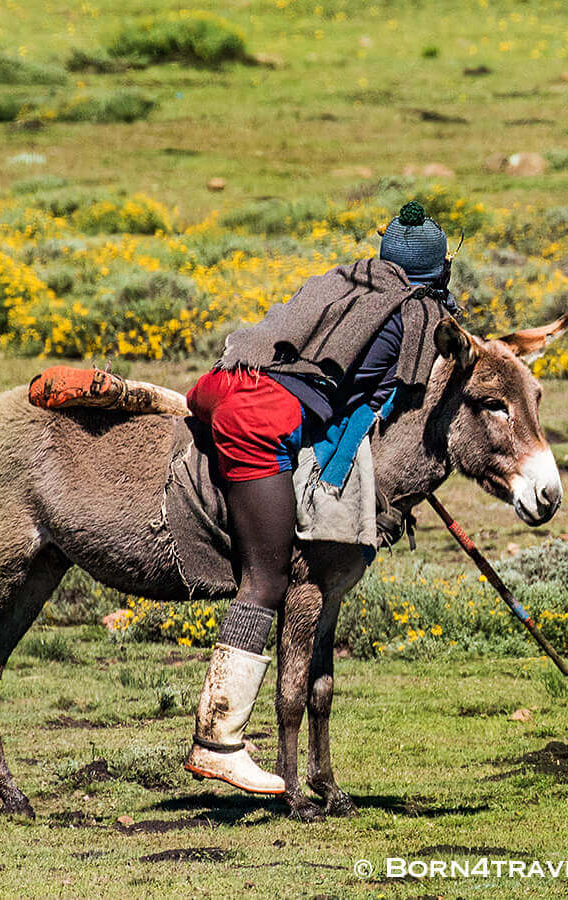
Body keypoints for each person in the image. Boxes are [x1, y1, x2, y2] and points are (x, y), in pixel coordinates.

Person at [182, 201, 454, 793]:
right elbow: (367, 410)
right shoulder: (413, 316)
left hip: (219, 383)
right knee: (267, 578)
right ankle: (216, 741)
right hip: (261, 414)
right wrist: (332, 473)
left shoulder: (347, 281)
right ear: (439, 273)